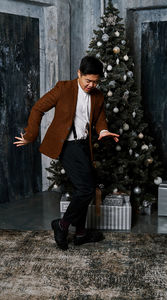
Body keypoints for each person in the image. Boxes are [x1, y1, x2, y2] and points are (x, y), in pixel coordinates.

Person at [14, 55, 119, 250]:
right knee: (86, 189)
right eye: (88, 80)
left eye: (96, 82)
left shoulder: (98, 96)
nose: (91, 85)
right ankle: (61, 225)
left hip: (83, 146)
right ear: (79, 74)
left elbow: (100, 119)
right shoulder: (63, 88)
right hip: (67, 146)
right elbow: (38, 108)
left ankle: (80, 234)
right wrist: (30, 135)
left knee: (85, 188)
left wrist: (103, 131)